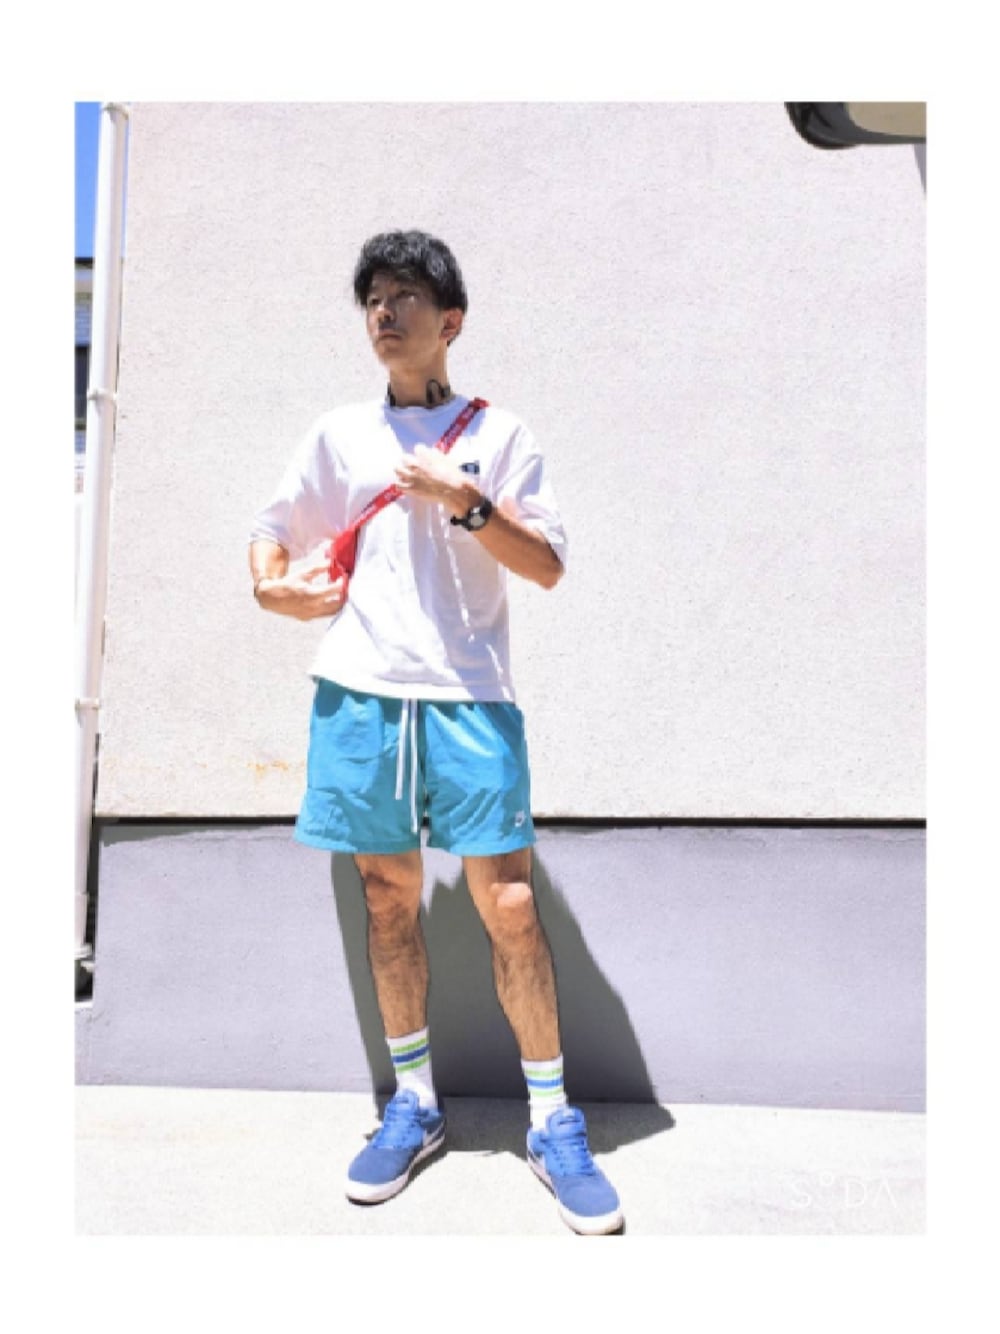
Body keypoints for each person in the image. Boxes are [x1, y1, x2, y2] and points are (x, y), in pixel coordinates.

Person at [248, 230, 622, 1236]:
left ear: (450, 320)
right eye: (373, 296)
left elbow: (546, 566)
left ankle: (552, 1118)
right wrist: (270, 586)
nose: (384, 311)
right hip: (360, 691)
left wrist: (467, 501)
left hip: (470, 693)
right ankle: (413, 1103)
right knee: (387, 898)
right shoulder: (339, 433)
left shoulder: (499, 433)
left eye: (405, 295)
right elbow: (272, 529)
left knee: (509, 902)